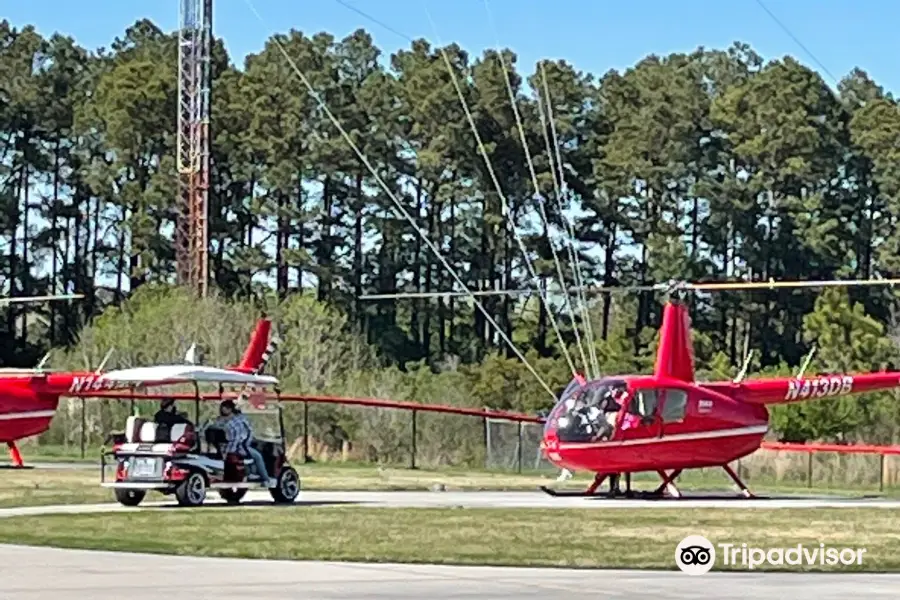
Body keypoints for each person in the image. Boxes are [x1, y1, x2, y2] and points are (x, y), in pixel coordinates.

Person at [218, 399, 275, 488]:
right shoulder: (239, 420)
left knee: (253, 451)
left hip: (227, 447)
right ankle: (266, 479)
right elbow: (243, 436)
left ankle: (252, 472)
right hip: (237, 448)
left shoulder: (223, 421)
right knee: (258, 456)